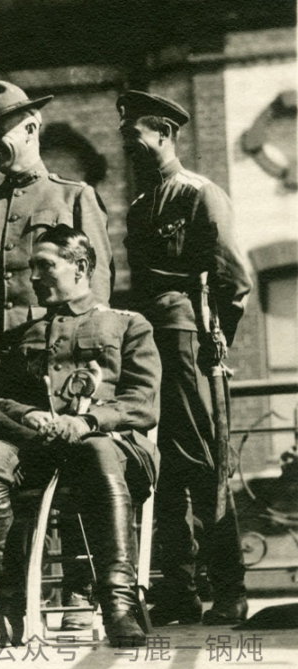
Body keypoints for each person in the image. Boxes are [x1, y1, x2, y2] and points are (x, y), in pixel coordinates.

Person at [0, 80, 113, 629]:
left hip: (65, 373)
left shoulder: (74, 197)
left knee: (75, 463)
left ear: (31, 128)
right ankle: (11, 606)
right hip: (3, 382)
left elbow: (99, 299)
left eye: (0, 132)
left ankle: (79, 593)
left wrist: (87, 378)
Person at [0, 225, 161, 649]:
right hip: (41, 453)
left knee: (97, 449)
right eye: (31, 267)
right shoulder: (22, 336)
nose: (33, 277)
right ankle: (8, 611)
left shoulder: (128, 324)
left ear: (81, 267)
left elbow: (143, 402)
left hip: (114, 453)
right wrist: (28, 414)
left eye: (45, 266)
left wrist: (90, 421)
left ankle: (119, 606)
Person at [118, 90, 253, 626]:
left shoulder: (199, 193)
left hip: (187, 341)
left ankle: (230, 588)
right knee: (163, 470)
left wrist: (211, 342)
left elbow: (233, 279)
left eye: (135, 136)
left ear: (164, 134)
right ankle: (177, 589)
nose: (129, 146)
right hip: (146, 342)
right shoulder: (139, 207)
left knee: (202, 463)